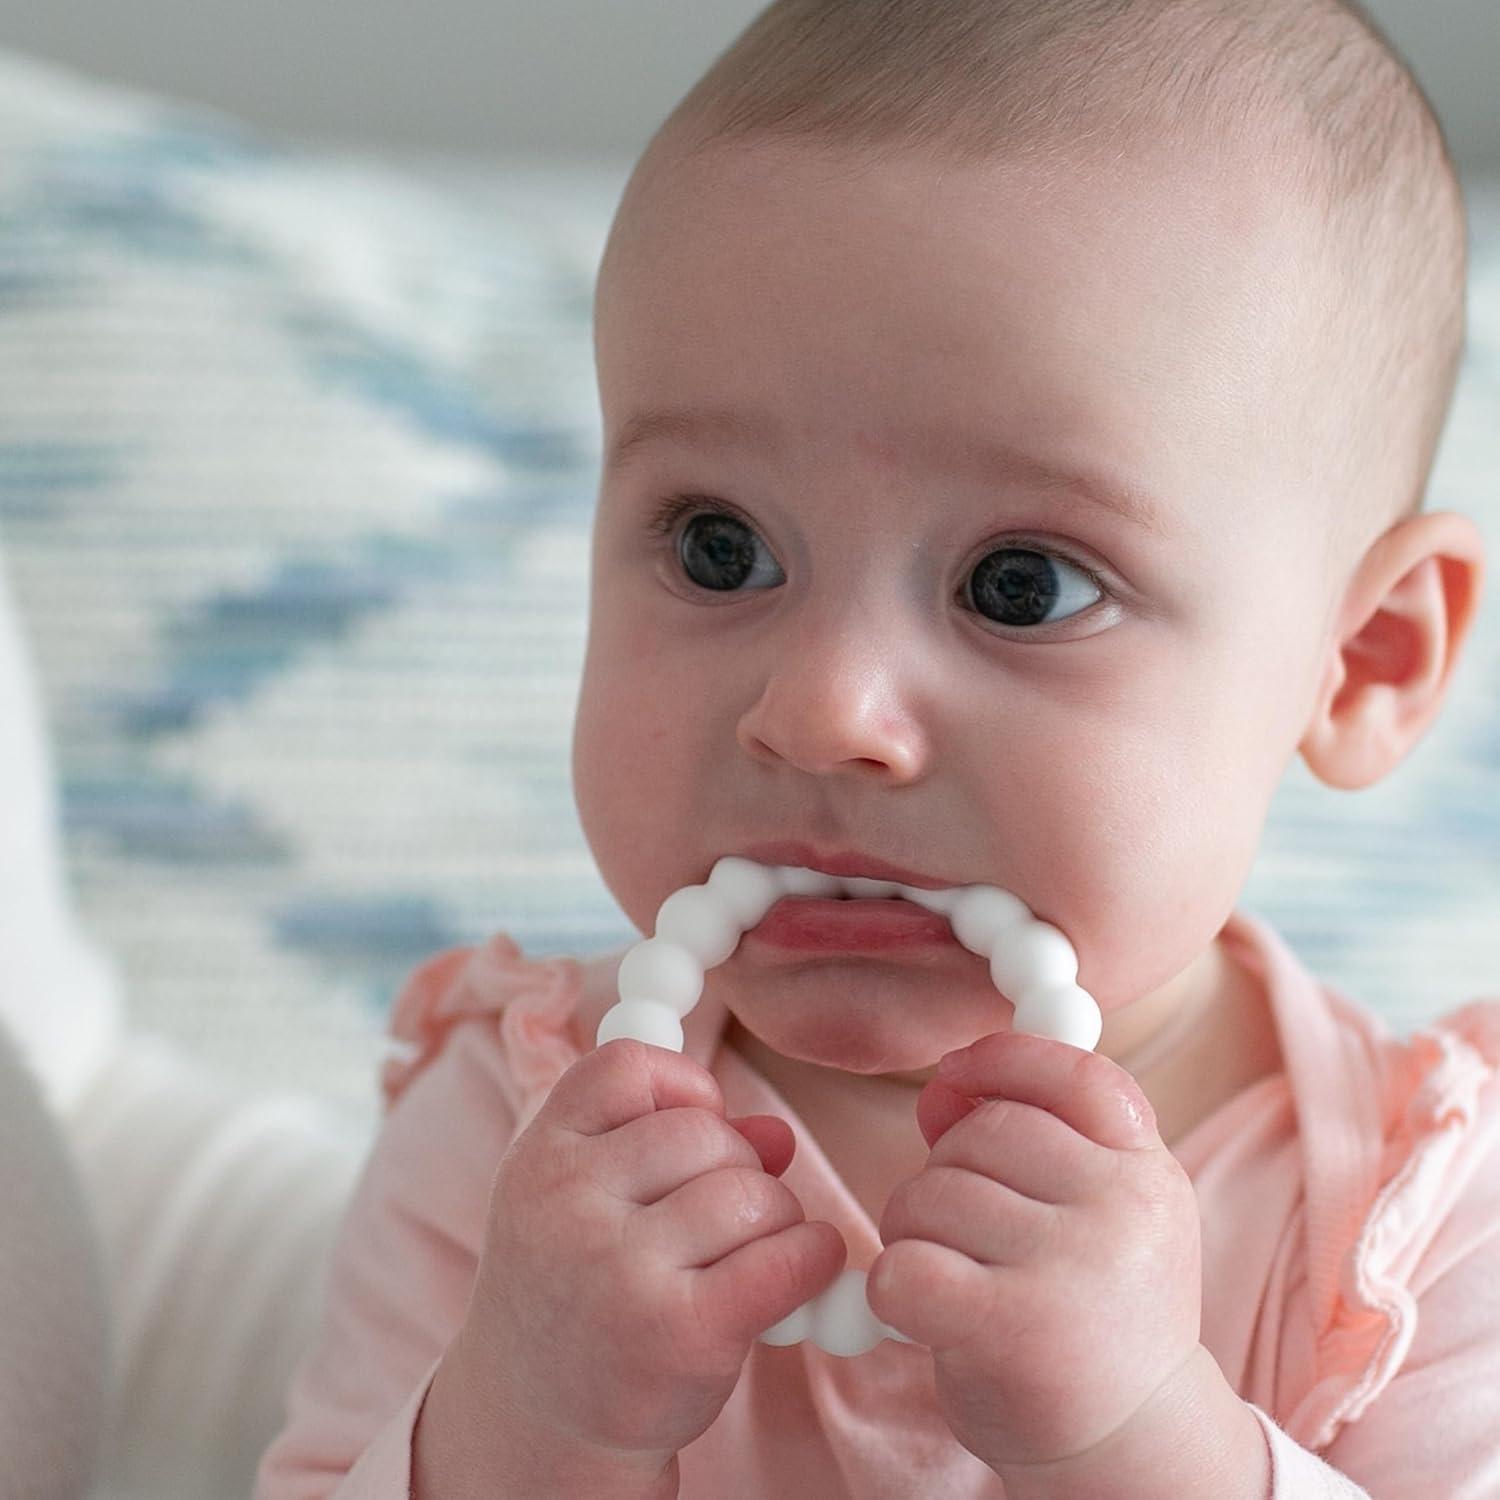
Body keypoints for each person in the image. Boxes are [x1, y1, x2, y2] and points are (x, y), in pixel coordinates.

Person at [254, 1, 1500, 1495]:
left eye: (1020, 586)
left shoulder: (1420, 1219)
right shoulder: (519, 1135)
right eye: (720, 549)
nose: (824, 710)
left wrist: (1136, 1436)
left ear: (1364, 661)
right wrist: (530, 1417)